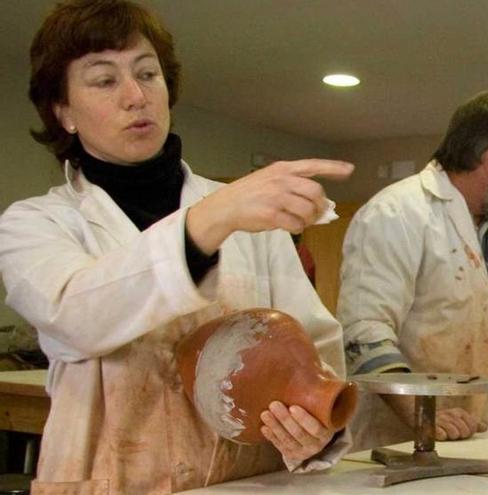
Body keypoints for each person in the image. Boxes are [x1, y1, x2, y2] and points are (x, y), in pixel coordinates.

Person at [0, 1, 354, 493]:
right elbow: (76, 315)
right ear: (63, 112)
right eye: (104, 81)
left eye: (147, 73)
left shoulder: (247, 217)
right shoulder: (33, 224)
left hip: (243, 483)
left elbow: (314, 349)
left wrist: (317, 429)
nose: (135, 95)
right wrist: (211, 221)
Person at [337, 91, 488, 451]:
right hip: (400, 442)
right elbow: (362, 334)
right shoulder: (396, 213)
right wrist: (423, 415)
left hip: (476, 435)